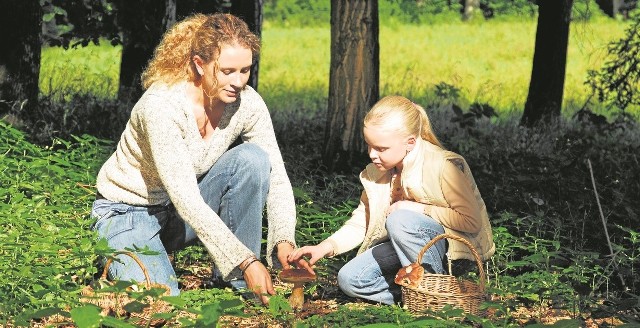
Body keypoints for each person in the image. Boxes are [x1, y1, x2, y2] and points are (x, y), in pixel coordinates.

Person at [90, 13, 309, 305]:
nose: (238, 81)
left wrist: (284, 240)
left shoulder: (248, 103)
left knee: (253, 160)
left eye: (245, 70)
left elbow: (277, 177)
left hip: (177, 214)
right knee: (162, 303)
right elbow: (186, 198)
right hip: (127, 213)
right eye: (227, 71)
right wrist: (246, 259)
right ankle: (123, 254)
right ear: (199, 64)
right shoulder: (161, 107)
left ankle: (236, 282)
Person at [288, 95, 495, 305]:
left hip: (449, 252)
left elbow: (471, 221)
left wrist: (417, 208)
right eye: (369, 145)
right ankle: (413, 296)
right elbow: (362, 221)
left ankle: (432, 293)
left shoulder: (443, 166)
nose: (372, 154)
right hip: (402, 247)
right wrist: (324, 247)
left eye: (381, 148)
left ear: (410, 143)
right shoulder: (377, 173)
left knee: (400, 218)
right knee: (350, 280)